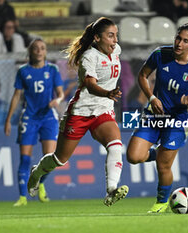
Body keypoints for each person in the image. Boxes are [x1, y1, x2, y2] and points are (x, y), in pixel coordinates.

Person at [27, 17, 129, 206]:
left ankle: (111, 190)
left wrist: (107, 96)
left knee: (115, 146)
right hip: (81, 112)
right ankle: (36, 173)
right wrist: (108, 93)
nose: (115, 41)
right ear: (97, 38)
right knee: (59, 159)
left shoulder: (116, 50)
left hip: (103, 111)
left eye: (116, 36)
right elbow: (90, 85)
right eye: (110, 36)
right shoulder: (89, 57)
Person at [126, 20, 188, 213]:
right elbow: (142, 76)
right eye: (178, 38)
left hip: (179, 119)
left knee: (163, 166)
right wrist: (151, 97)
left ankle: (161, 202)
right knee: (133, 156)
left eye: (185, 41)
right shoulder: (160, 54)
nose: (179, 43)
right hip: (154, 114)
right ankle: (156, 153)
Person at [4, 38, 64, 207]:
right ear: (30, 51)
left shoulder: (52, 69)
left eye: (42, 48)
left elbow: (60, 93)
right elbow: (16, 96)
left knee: (52, 160)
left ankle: (40, 181)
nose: (39, 51)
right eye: (35, 48)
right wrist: (8, 120)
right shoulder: (23, 71)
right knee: (25, 159)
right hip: (29, 117)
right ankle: (22, 197)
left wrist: (57, 101)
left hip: (48, 117)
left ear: (45, 52)